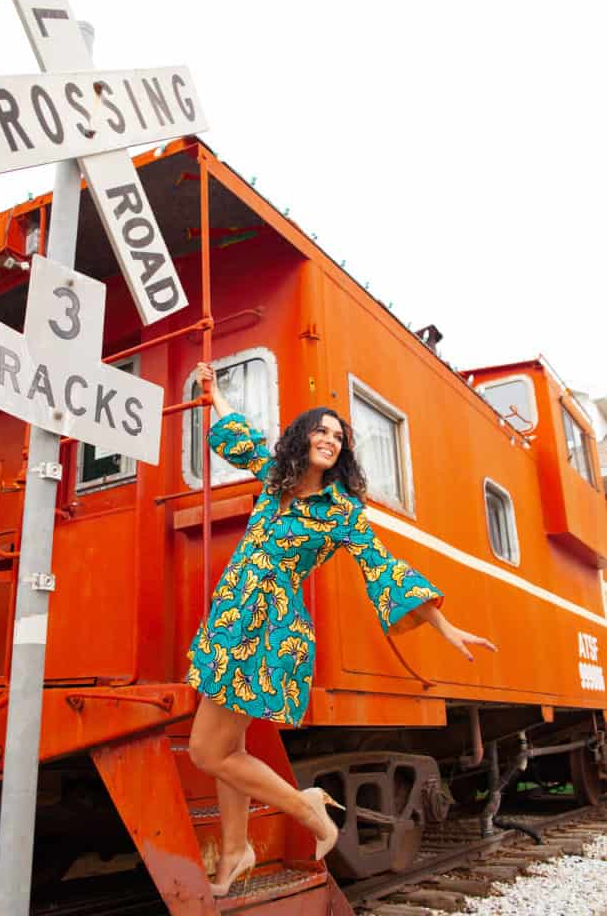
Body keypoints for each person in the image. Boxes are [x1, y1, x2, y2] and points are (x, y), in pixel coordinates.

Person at [186, 362, 497, 897]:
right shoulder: (273, 476)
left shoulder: (343, 513)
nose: (330, 440)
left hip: (268, 632)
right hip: (230, 617)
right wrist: (214, 395)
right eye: (322, 430)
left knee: (207, 753)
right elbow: (238, 437)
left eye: (339, 436)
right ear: (302, 438)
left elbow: (384, 568)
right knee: (229, 745)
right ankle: (236, 851)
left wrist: (442, 623)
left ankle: (306, 807)